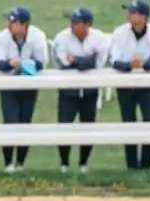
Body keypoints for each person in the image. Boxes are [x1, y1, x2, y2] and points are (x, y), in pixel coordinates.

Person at [110, 1, 150, 170]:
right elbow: (114, 59)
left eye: (133, 12)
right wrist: (129, 65)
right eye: (130, 12)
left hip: (147, 85)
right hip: (125, 85)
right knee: (129, 124)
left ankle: (146, 165)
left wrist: (143, 65)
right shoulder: (120, 33)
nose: (129, 15)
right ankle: (132, 166)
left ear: (143, 16)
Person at [52, 8, 108, 174]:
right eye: (72, 21)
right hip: (68, 91)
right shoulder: (62, 37)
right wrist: (86, 60)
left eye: (77, 22)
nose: (72, 25)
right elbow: (63, 62)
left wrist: (76, 60)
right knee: (64, 126)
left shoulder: (99, 38)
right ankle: (64, 164)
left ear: (88, 24)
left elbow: (99, 63)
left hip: (90, 91)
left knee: (88, 126)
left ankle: (83, 163)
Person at [0, 6, 48, 174]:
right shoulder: (2, 37)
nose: (10, 25)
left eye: (14, 22)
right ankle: (8, 163)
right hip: (8, 85)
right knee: (10, 121)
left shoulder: (38, 36)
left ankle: (21, 162)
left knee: (25, 122)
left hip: (28, 85)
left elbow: (42, 62)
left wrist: (24, 64)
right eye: (10, 22)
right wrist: (11, 63)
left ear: (25, 25)